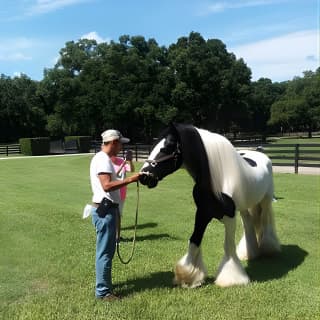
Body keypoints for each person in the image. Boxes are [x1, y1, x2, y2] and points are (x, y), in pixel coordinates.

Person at [90, 129, 140, 301]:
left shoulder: (101, 158)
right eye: (120, 143)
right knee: (104, 253)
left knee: (105, 251)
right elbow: (107, 186)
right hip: (105, 212)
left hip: (106, 209)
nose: (121, 147)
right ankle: (103, 292)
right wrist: (131, 180)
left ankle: (104, 285)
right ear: (113, 142)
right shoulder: (103, 160)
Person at [111, 149, 135, 216]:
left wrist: (130, 161)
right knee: (111, 213)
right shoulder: (108, 163)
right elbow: (114, 176)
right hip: (112, 192)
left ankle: (118, 226)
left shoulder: (120, 160)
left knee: (119, 212)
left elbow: (132, 170)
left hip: (122, 191)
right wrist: (122, 165)